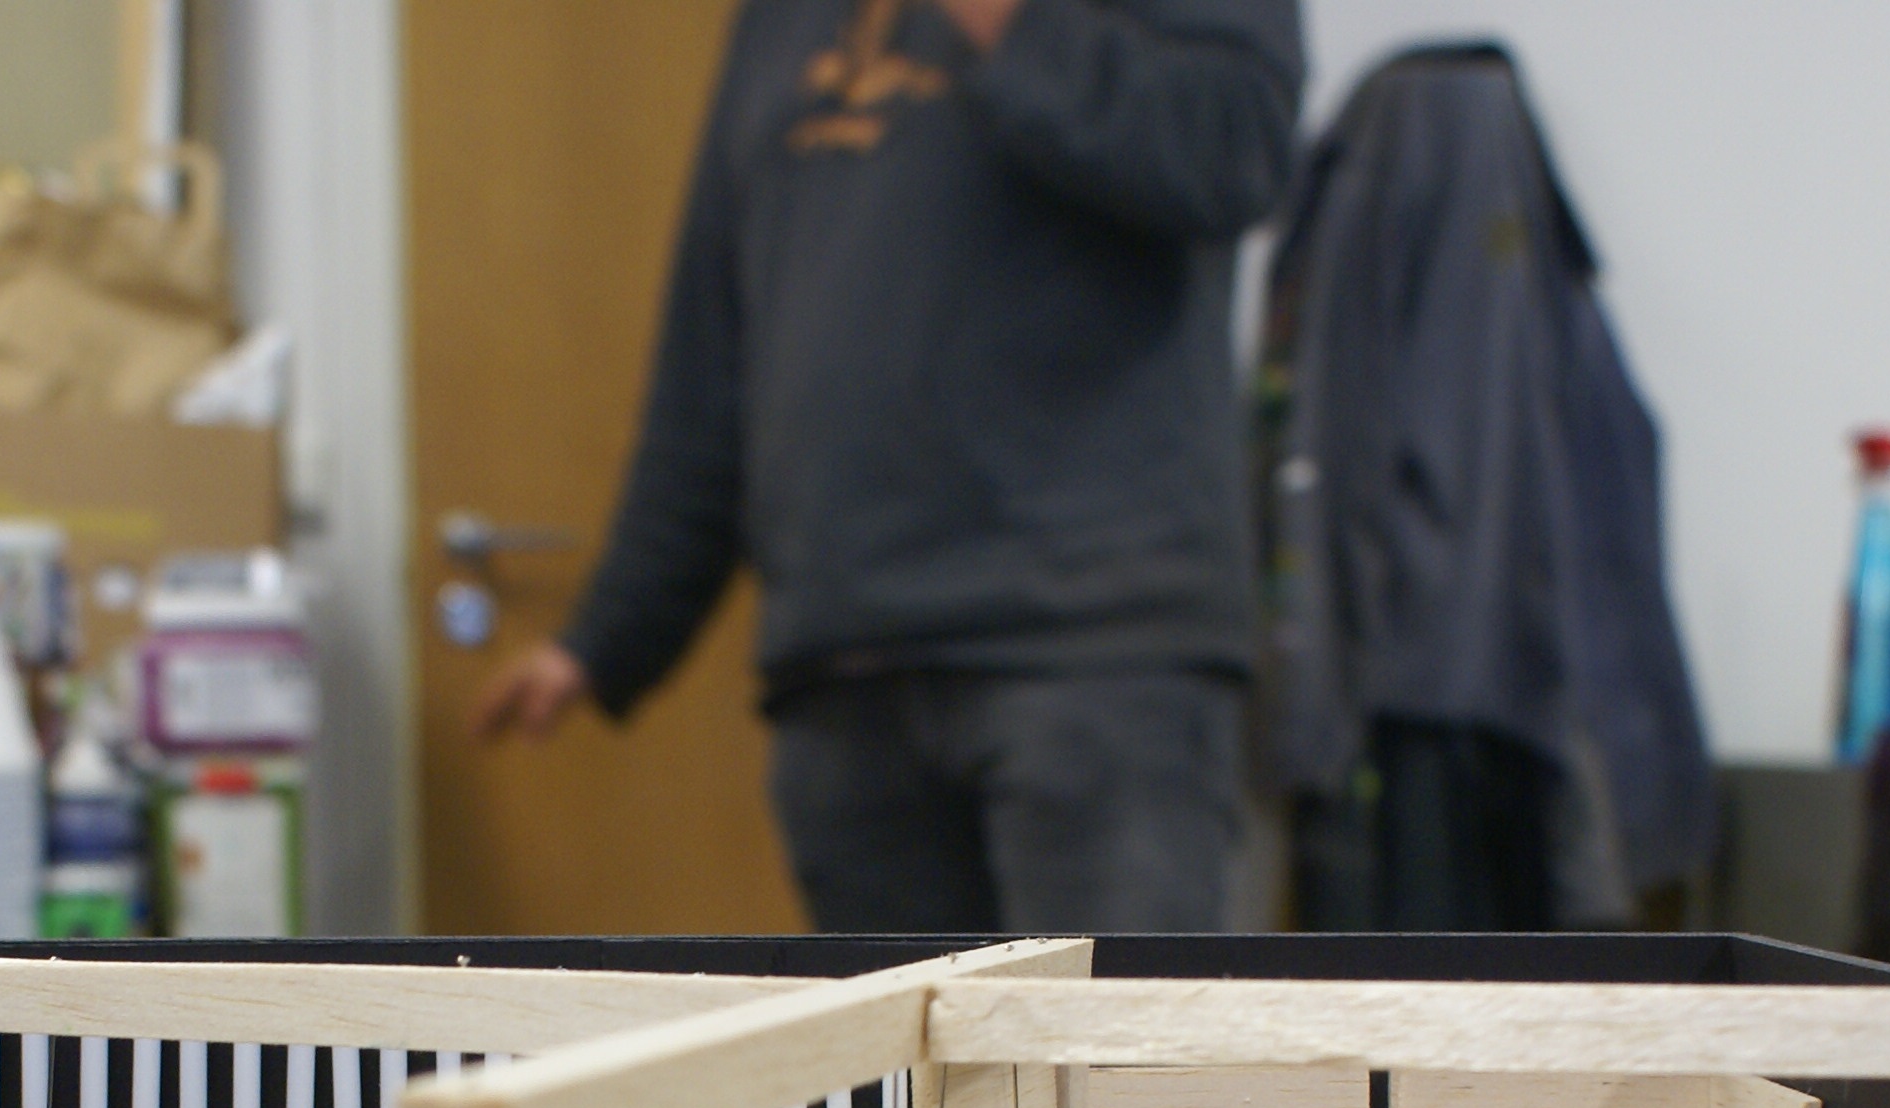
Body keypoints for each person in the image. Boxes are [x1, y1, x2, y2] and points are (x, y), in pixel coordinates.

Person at [475, 0, 1305, 935]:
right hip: (846, 681)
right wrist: (608, 632)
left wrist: (1010, 26)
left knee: (1105, 1035)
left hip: (1089, 661)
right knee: (897, 1043)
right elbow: (715, 350)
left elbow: (1236, 151)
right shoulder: (776, 21)